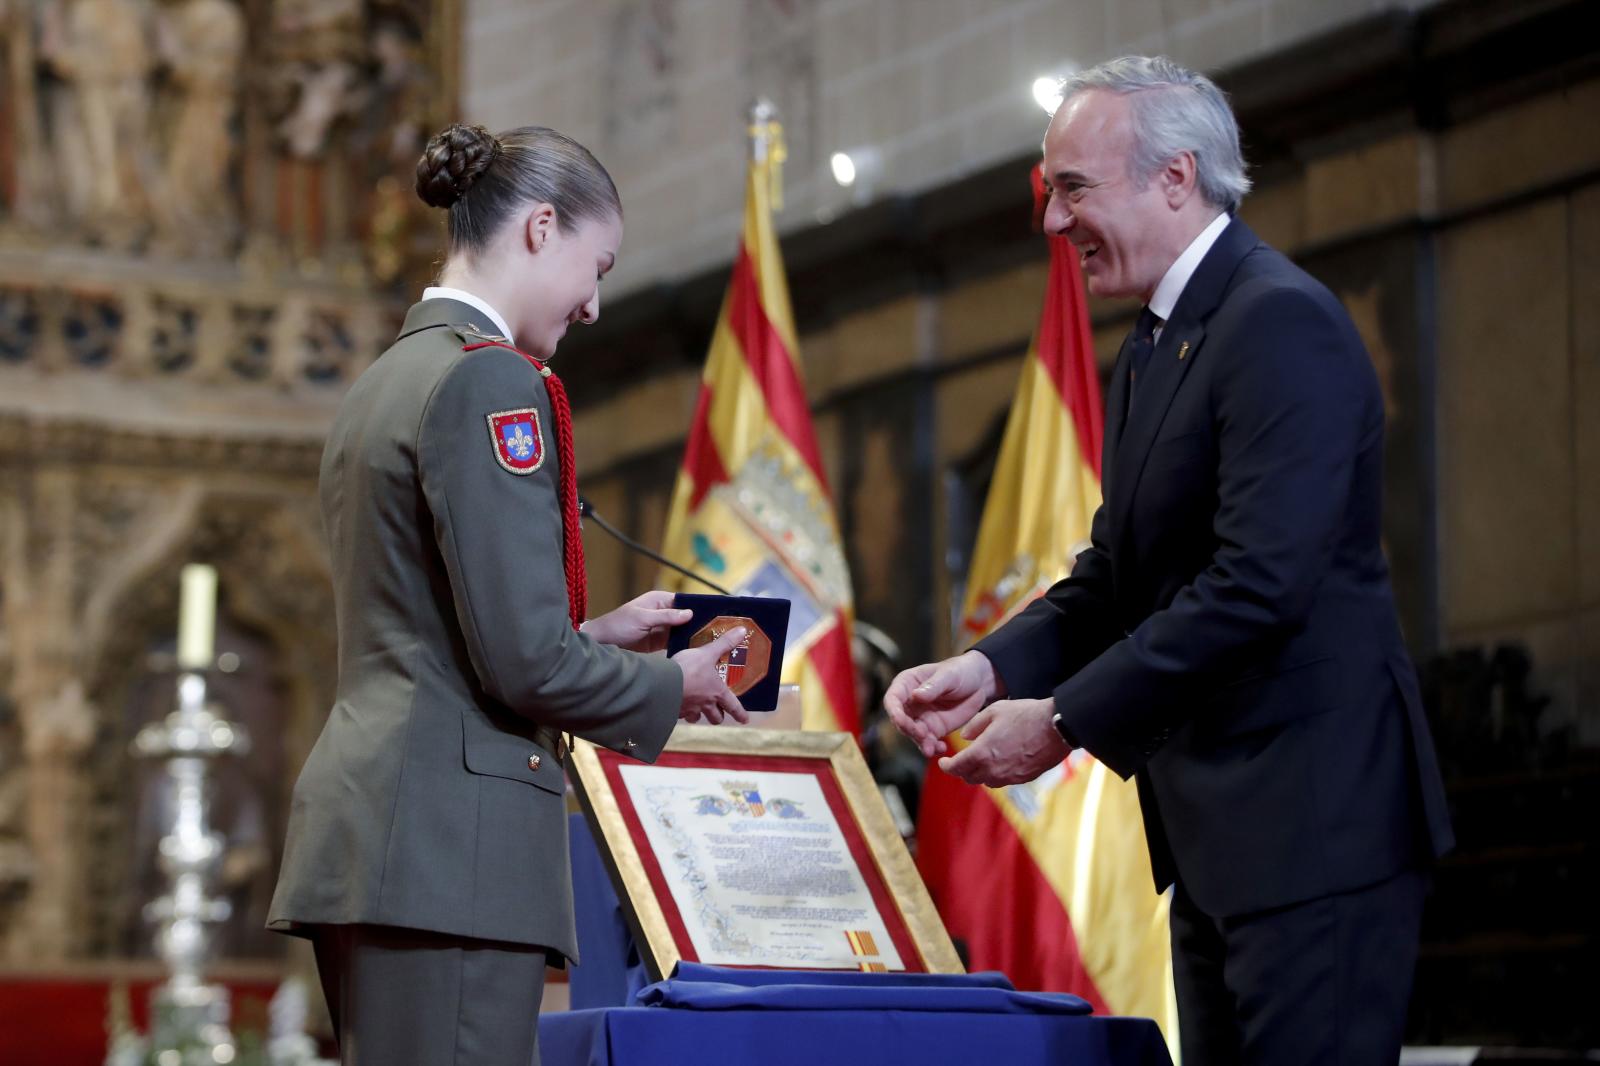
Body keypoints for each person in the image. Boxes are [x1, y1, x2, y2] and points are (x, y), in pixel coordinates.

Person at [885, 57, 1453, 1065]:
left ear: (1175, 177)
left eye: (1071, 189)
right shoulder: (1155, 345)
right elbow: (1115, 573)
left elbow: (1259, 585)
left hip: (1310, 832)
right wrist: (989, 668)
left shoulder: (1278, 322)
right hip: (1217, 843)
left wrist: (1058, 721)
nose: (1051, 223)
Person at [267, 122, 750, 1066]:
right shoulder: (489, 382)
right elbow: (523, 662)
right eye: (595, 264)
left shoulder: (389, 378)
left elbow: (441, 628)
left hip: (396, 830)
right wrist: (673, 685)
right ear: (539, 228)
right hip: (450, 849)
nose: (596, 303)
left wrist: (596, 635)